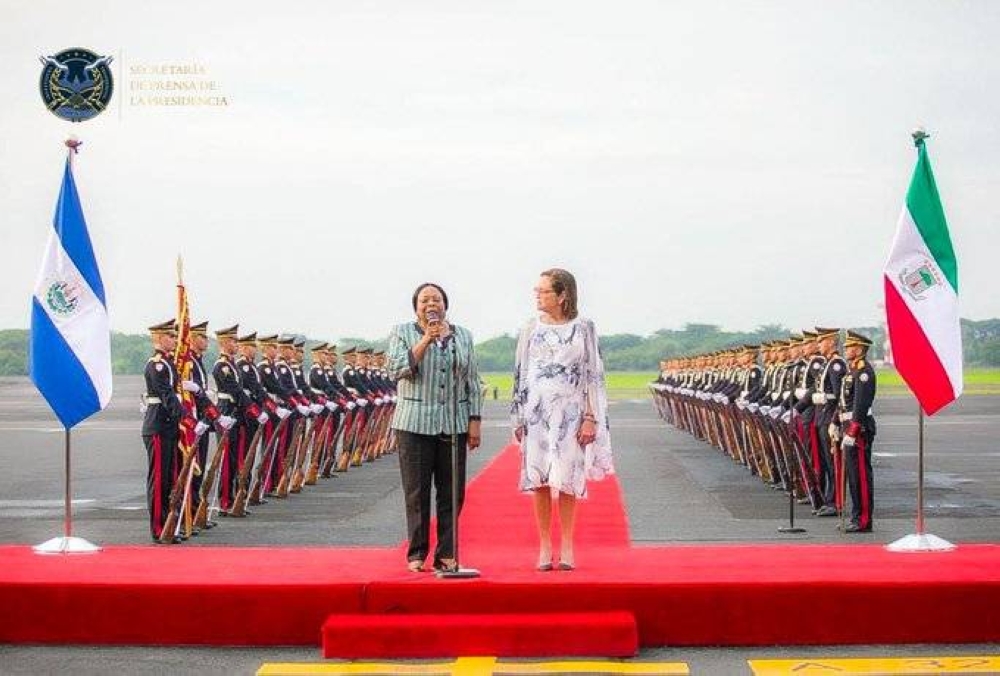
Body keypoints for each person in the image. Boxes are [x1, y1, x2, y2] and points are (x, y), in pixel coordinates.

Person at [512, 268, 613, 571]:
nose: (537, 295)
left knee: (567, 480)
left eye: (543, 291)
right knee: (540, 478)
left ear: (563, 295)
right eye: (537, 290)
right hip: (537, 412)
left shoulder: (584, 328)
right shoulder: (531, 328)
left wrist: (591, 417)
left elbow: (593, 376)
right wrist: (517, 416)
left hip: (571, 413)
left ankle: (567, 545)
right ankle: (545, 546)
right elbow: (520, 374)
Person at [387, 282, 483, 573]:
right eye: (425, 300)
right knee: (417, 492)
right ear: (416, 307)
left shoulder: (462, 336)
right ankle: (417, 553)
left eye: (437, 300)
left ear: (445, 305)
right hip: (414, 423)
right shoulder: (402, 333)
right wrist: (426, 340)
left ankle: (447, 553)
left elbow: (472, 380)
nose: (431, 305)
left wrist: (475, 421)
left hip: (452, 423)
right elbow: (395, 369)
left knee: (452, 492)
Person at [836, 330, 877, 533]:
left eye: (850, 347)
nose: (846, 350)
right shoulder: (851, 371)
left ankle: (863, 519)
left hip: (859, 429)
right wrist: (836, 424)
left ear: (859, 349)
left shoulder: (863, 372)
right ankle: (856, 515)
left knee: (860, 475)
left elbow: (861, 405)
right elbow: (844, 402)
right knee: (852, 475)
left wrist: (852, 431)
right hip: (847, 426)